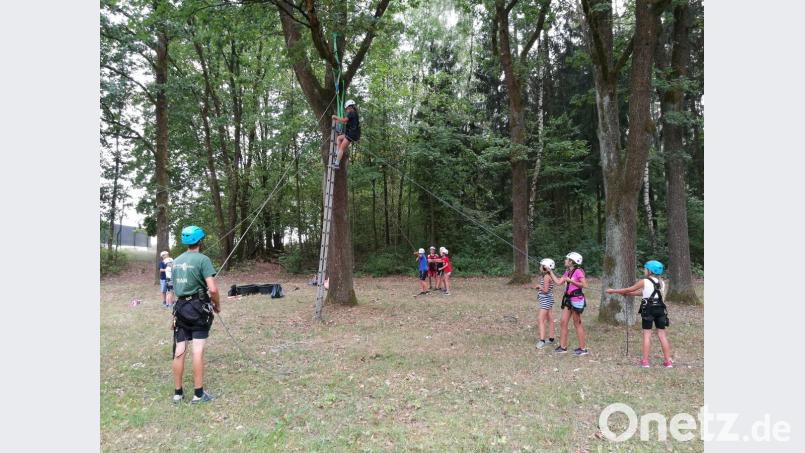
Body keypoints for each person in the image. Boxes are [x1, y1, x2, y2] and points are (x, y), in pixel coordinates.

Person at [170, 225, 221, 404]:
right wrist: (217, 305)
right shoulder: (203, 260)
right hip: (198, 308)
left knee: (179, 350)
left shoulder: (175, 261)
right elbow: (213, 289)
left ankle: (178, 393)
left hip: (180, 309)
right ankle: (198, 395)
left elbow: (174, 287)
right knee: (197, 350)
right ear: (201, 240)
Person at [606, 260, 673, 368]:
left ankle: (645, 362)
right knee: (662, 335)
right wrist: (629, 294)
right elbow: (644, 293)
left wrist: (613, 291)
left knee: (647, 335)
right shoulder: (662, 283)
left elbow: (629, 288)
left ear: (649, 270)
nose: (644, 270)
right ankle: (667, 361)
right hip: (661, 310)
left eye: (645, 268)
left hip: (649, 310)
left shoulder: (644, 281)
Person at [549, 252, 588, 356]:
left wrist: (571, 281)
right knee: (563, 322)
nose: (565, 260)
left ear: (572, 262)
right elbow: (558, 282)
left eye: (567, 259)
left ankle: (583, 349)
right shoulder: (567, 272)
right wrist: (550, 271)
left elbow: (585, 285)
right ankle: (563, 347)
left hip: (576, 300)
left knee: (577, 323)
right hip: (568, 300)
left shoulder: (578, 271)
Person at [330, 100, 361, 170]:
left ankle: (336, 164)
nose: (346, 110)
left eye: (346, 108)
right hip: (353, 134)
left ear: (350, 107)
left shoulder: (351, 112)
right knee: (339, 138)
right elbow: (347, 123)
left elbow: (344, 120)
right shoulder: (354, 114)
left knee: (342, 148)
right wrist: (339, 121)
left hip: (351, 134)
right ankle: (337, 153)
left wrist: (335, 117)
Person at [533, 258, 556, 349]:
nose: (540, 267)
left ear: (546, 267)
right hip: (548, 299)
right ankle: (551, 338)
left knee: (540, 319)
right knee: (550, 319)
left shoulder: (546, 277)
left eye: (541, 265)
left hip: (546, 300)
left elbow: (546, 290)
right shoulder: (548, 275)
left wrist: (539, 286)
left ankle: (542, 341)